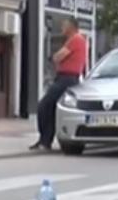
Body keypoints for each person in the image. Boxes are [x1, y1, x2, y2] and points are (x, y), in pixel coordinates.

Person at [32, 17, 88, 151]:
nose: (62, 28)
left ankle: (44, 140)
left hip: (66, 79)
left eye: (64, 25)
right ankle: (45, 141)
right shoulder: (77, 40)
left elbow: (59, 56)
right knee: (51, 108)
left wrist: (53, 57)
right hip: (68, 78)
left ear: (71, 27)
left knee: (44, 106)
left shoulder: (76, 39)